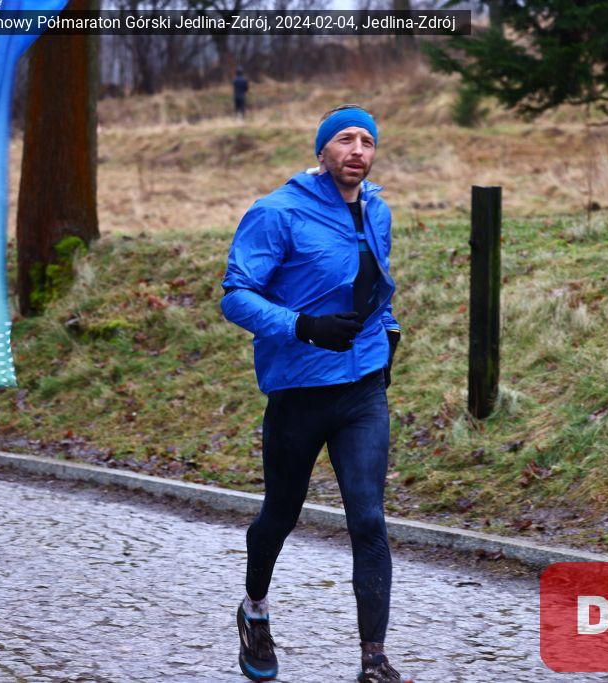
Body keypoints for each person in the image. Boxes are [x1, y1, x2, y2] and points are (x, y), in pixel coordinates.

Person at [220, 104, 410, 683]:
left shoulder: (377, 210)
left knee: (368, 519)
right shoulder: (276, 212)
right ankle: (255, 610)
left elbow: (374, 288)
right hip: (299, 389)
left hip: (362, 391)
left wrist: (388, 334)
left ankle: (373, 659)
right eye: (345, 139)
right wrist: (301, 325)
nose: (358, 150)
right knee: (281, 513)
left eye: (367, 141)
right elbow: (236, 295)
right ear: (322, 151)